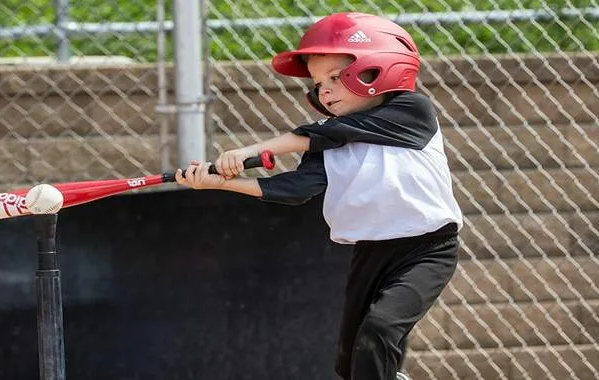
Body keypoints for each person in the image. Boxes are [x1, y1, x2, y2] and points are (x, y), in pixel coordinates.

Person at [175, 12, 463, 380]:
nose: (323, 90)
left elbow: (328, 132)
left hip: (427, 249)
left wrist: (251, 149)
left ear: (377, 70)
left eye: (334, 78)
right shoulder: (328, 142)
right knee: (350, 362)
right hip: (370, 251)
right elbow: (293, 190)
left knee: (379, 330)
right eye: (317, 82)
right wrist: (219, 183)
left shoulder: (411, 111)